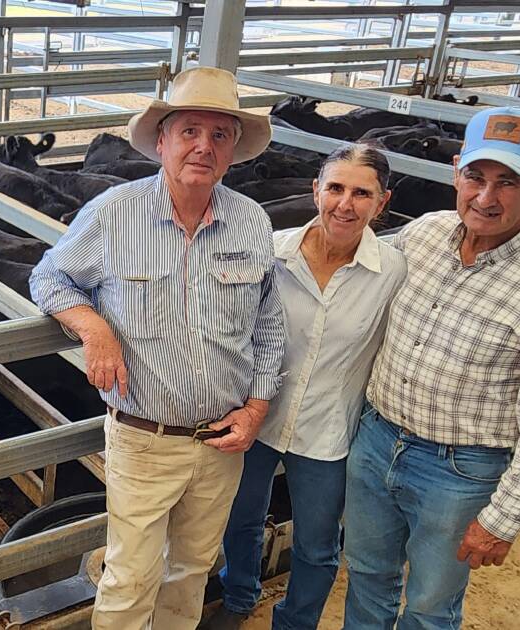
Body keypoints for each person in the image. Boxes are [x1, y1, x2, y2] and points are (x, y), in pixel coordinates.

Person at [29, 65, 286, 630]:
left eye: (220, 135)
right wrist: (94, 329)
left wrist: (257, 409)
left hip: (222, 441)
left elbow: (268, 325)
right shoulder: (115, 212)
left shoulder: (251, 222)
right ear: (162, 140)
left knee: (192, 569)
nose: (203, 146)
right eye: (190, 131)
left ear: (234, 148)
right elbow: (48, 278)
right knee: (130, 576)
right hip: (144, 437)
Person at [342, 106, 520, 629]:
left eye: (509, 181)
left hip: (459, 470)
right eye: (476, 177)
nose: (486, 197)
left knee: (430, 604)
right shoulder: (424, 234)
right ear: (456, 169)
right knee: (367, 574)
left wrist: (504, 517)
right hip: (375, 440)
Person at [207, 144, 407, 630]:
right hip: (256, 416)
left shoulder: (393, 272)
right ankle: (239, 596)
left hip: (329, 430)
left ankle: (295, 623)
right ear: (315, 189)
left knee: (318, 545)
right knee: (241, 519)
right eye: (335, 187)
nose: (345, 203)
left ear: (382, 203)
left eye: (362, 193)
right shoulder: (270, 253)